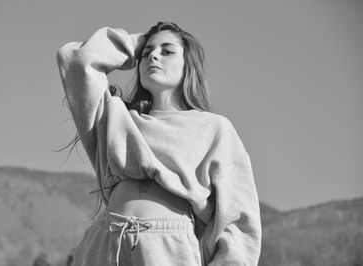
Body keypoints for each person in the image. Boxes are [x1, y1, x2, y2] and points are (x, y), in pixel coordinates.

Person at [56, 21, 261, 266]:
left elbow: (237, 222)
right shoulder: (115, 118)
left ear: (188, 65)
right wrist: (137, 44)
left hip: (168, 246)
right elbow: (75, 60)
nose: (153, 55)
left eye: (167, 51)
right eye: (147, 53)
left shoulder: (215, 129)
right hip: (105, 241)